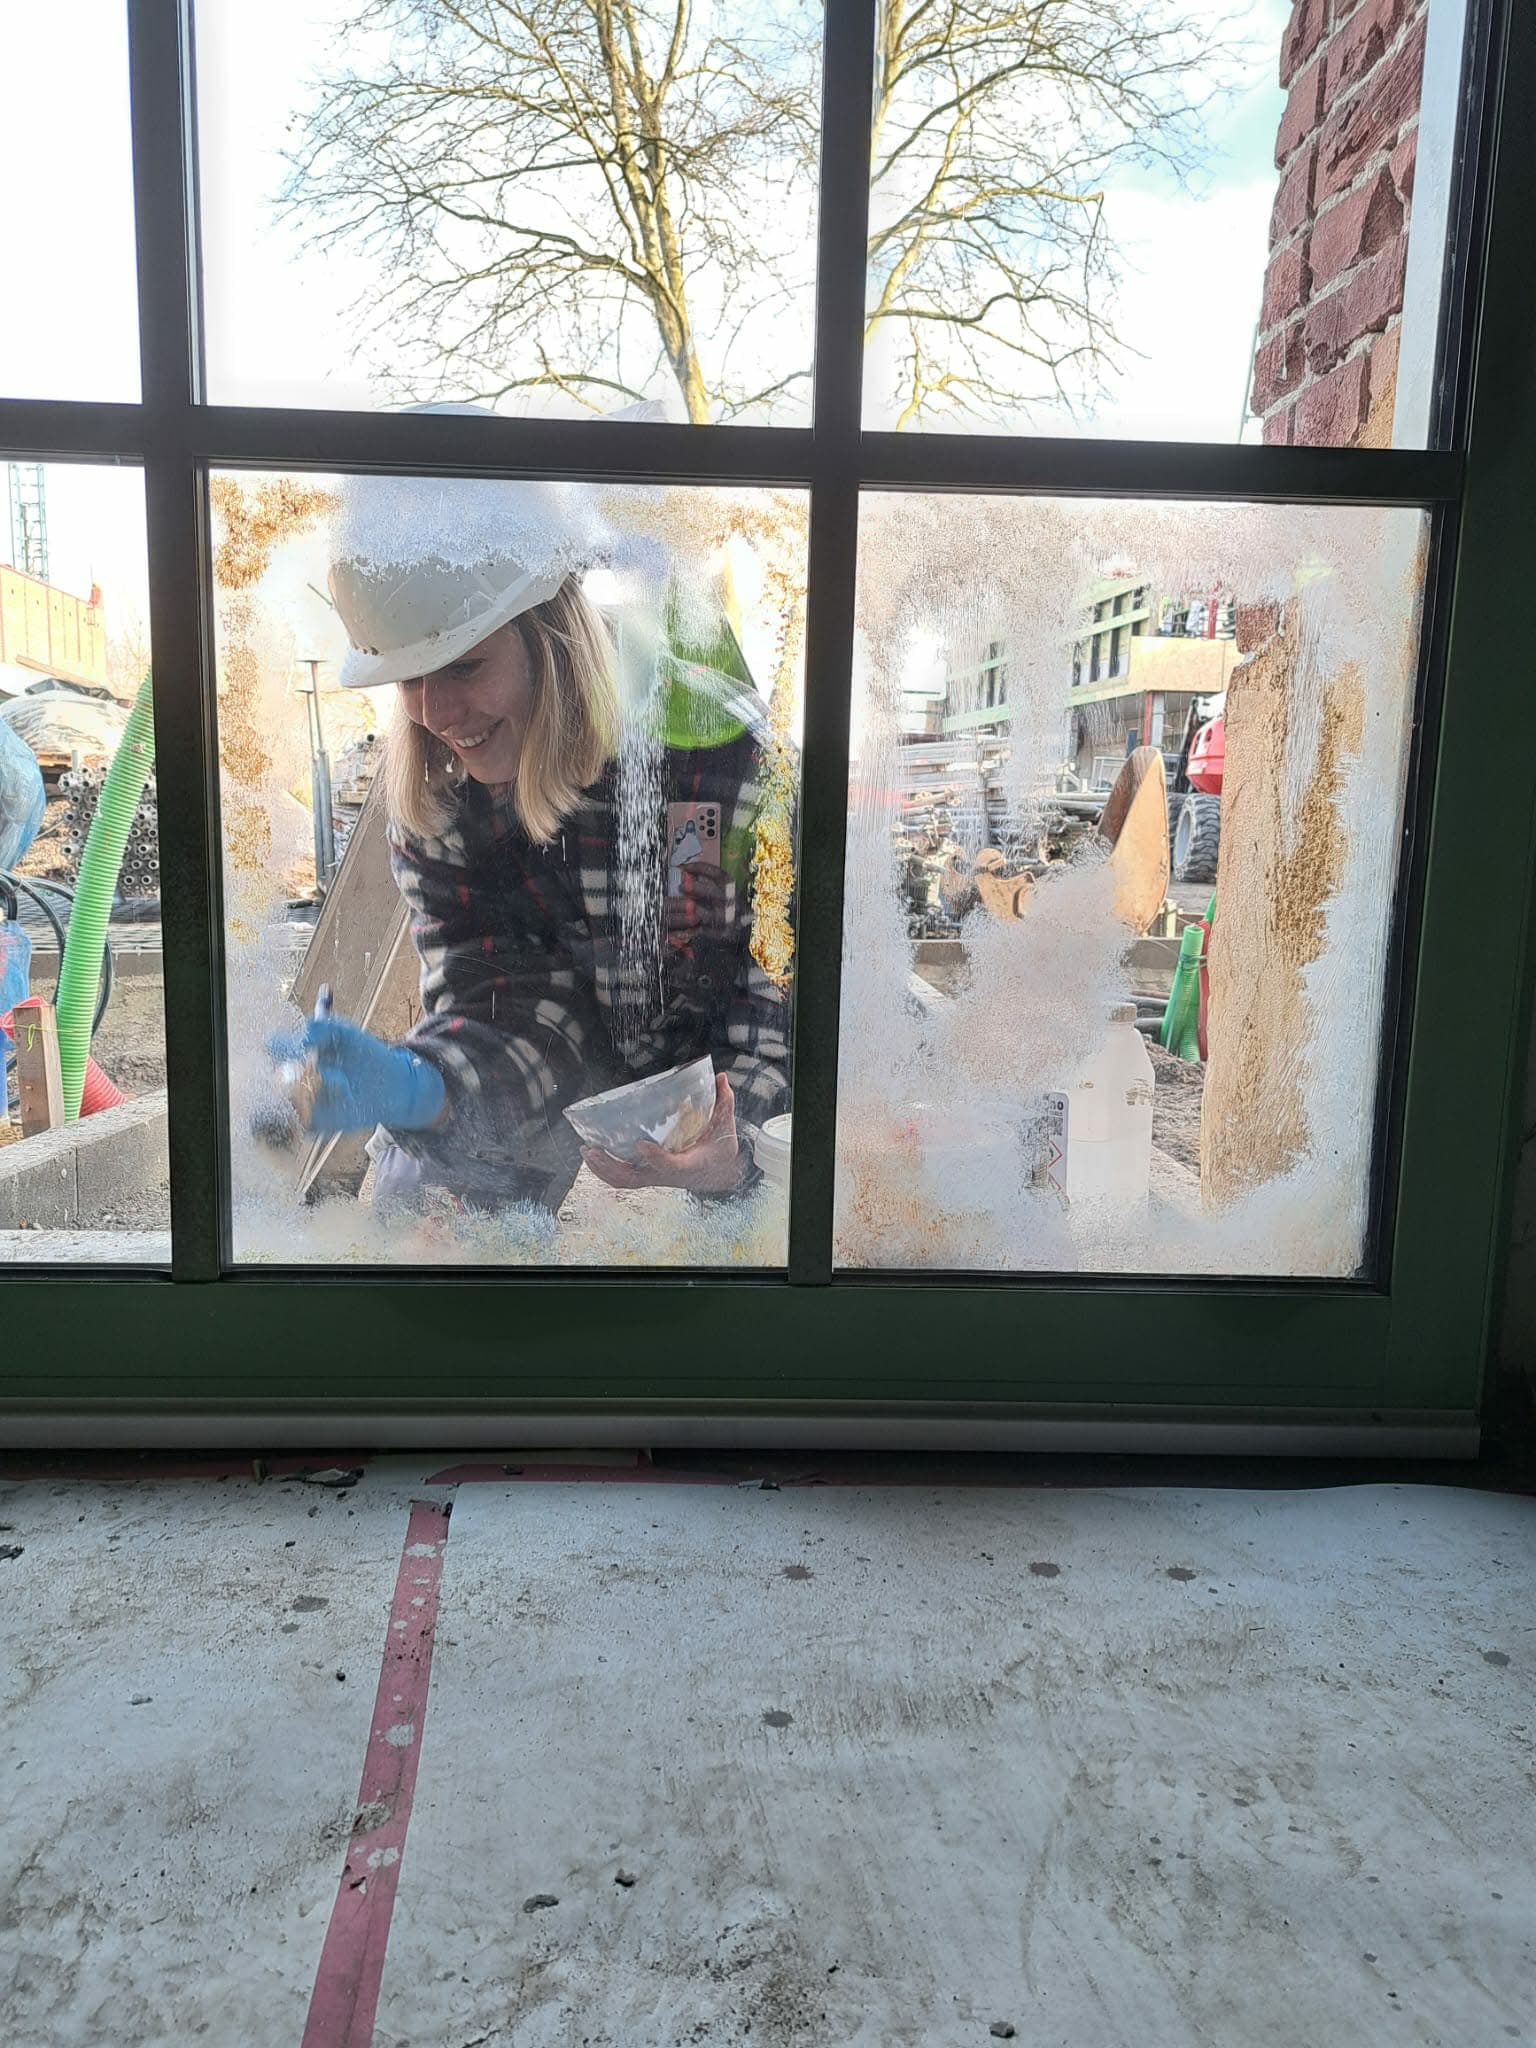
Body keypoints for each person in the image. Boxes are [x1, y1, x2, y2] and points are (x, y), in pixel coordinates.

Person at [270, 460, 791, 1214]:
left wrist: (732, 1141)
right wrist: (428, 1088)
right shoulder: (442, 800)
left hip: (721, 1091)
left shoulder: (719, 753)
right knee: (412, 1193)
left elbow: (770, 988)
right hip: (558, 1095)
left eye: (465, 667)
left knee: (742, 1237)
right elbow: (504, 999)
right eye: (406, 679)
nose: (435, 712)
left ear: (552, 637)